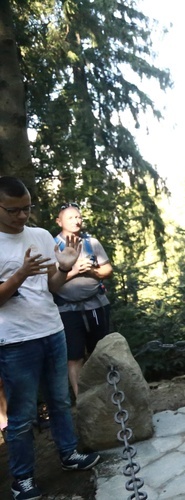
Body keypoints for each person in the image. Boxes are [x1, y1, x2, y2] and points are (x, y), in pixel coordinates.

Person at [0, 176, 101, 500]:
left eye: (26, 208)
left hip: (51, 329)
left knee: (59, 401)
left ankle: (69, 454)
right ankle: (22, 479)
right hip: (15, 341)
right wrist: (20, 274)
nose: (21, 216)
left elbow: (52, 287)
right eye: (13, 210)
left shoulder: (41, 235)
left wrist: (64, 268)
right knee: (22, 414)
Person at [53, 203, 113, 397]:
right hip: (66, 309)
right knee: (74, 356)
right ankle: (83, 399)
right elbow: (49, 282)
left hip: (95, 304)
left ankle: (109, 392)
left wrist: (91, 271)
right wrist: (74, 270)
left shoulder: (91, 243)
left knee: (100, 351)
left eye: (78, 217)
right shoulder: (52, 246)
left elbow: (108, 270)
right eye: (70, 218)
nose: (76, 221)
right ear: (59, 221)